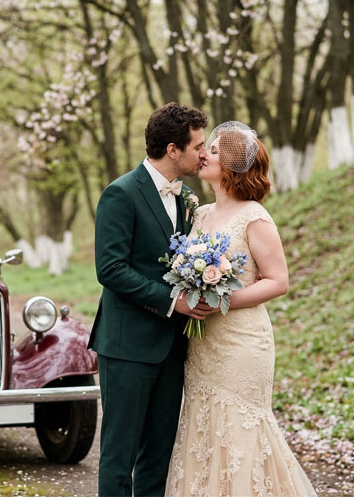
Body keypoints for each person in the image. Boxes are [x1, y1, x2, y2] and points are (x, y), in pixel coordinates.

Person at [164, 121, 317, 496]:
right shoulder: (199, 215)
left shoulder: (255, 217)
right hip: (204, 345)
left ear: (232, 166)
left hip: (242, 344)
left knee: (239, 430)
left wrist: (221, 300)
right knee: (204, 429)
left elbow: (277, 281)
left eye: (213, 151)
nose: (203, 154)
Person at [89, 102, 217, 497]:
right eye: (198, 146)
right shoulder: (120, 193)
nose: (204, 154)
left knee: (158, 455)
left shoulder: (186, 199)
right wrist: (172, 301)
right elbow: (109, 269)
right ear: (173, 149)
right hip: (127, 346)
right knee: (118, 454)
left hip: (172, 348)